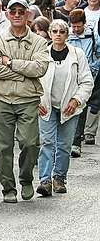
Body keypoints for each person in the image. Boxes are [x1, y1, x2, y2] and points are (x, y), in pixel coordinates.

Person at [0, 0, 50, 203]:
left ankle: (26, 178)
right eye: (12, 11)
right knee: (3, 147)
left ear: (28, 15)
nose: (16, 14)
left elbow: (40, 68)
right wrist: (24, 72)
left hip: (28, 99)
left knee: (30, 143)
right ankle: (8, 187)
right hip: (1, 98)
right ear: (6, 14)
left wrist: (11, 63)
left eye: (21, 11)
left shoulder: (39, 41)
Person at [36, 19, 93, 196]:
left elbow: (86, 82)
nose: (58, 35)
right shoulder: (42, 54)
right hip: (47, 105)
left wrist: (76, 100)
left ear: (67, 35)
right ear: (50, 34)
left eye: (62, 32)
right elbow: (33, 79)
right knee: (47, 143)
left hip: (69, 106)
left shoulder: (77, 55)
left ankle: (59, 178)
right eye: (55, 31)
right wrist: (36, 100)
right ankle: (45, 180)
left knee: (64, 145)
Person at [68, 9, 100, 155]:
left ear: (84, 24)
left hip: (86, 77)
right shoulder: (66, 34)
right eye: (73, 26)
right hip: (68, 76)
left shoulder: (92, 35)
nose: (75, 29)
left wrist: (92, 69)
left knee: (80, 107)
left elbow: (98, 54)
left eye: (78, 26)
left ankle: (76, 142)